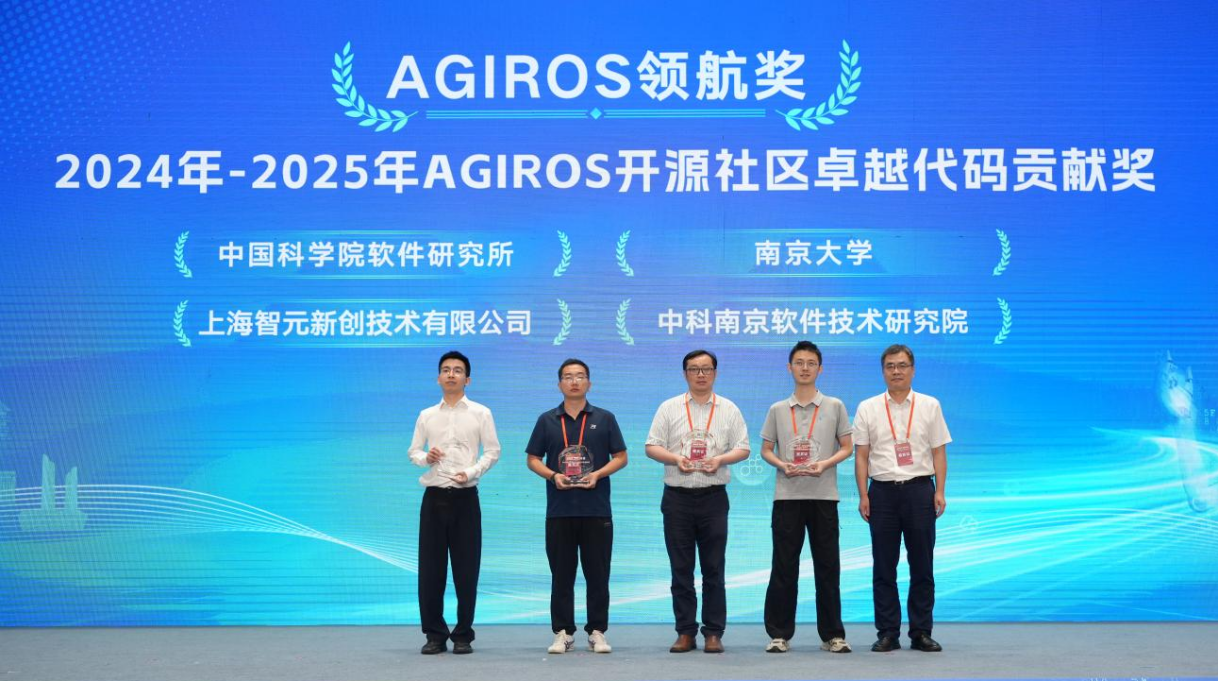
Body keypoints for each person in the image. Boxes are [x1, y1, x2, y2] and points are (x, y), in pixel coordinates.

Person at [645, 349, 750, 654]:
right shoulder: (668, 408)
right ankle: (685, 632)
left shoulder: (729, 408)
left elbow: (743, 447)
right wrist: (675, 458)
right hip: (677, 498)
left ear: (715, 373)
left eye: (706, 369)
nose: (700, 374)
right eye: (694, 369)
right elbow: (651, 446)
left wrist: (720, 459)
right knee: (681, 569)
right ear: (685, 374)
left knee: (714, 568)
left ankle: (713, 632)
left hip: (713, 498)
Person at [526, 358, 628, 654]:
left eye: (580, 376)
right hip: (559, 510)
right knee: (561, 575)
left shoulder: (605, 418)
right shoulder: (547, 420)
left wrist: (597, 474)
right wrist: (553, 475)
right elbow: (533, 459)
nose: (574, 381)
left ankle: (597, 631)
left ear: (589, 383)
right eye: (568, 376)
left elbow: (621, 457)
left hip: (596, 510)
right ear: (559, 384)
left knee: (598, 575)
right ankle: (563, 632)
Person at [853, 344, 951, 653]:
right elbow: (861, 455)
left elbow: (938, 452)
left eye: (902, 365)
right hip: (881, 493)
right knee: (884, 567)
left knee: (922, 565)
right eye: (890, 366)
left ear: (913, 369)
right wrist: (863, 494)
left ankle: (921, 632)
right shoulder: (868, 407)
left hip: (920, 490)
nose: (896, 371)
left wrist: (939, 490)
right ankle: (888, 632)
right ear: (883, 371)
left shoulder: (930, 405)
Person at [759, 341, 853, 654]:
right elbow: (766, 449)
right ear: (789, 368)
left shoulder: (835, 406)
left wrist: (824, 464)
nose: (805, 368)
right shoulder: (777, 409)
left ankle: (833, 635)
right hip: (787, 496)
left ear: (820, 369)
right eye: (799, 362)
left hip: (824, 496)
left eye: (811, 363)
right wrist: (782, 464)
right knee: (784, 566)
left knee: (828, 567)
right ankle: (779, 634)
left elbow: (847, 446)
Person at [408, 351, 501, 655]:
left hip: (465, 498)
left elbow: (493, 451)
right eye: (446, 370)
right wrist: (426, 457)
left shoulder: (481, 413)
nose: (451, 374)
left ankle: (463, 634)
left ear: (467, 379)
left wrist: (471, 472)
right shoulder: (426, 415)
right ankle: (434, 634)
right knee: (430, 570)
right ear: (438, 378)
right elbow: (413, 452)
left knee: (466, 569)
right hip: (434, 498)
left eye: (457, 370)